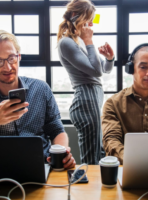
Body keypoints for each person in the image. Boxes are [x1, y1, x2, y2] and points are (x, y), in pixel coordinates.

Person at [0, 30, 76, 169]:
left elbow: (56, 130)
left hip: (41, 167)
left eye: (11, 58)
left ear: (19, 56)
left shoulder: (41, 89)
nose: (8, 67)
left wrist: (61, 154)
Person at [57, 0, 115, 164]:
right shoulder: (66, 42)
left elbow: (104, 70)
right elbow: (96, 72)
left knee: (99, 153)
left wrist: (109, 58)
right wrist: (90, 41)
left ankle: (97, 189)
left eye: (92, 21)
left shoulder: (79, 41)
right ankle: (86, 189)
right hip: (86, 99)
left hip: (93, 99)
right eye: (88, 20)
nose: (90, 25)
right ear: (76, 16)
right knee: (91, 160)